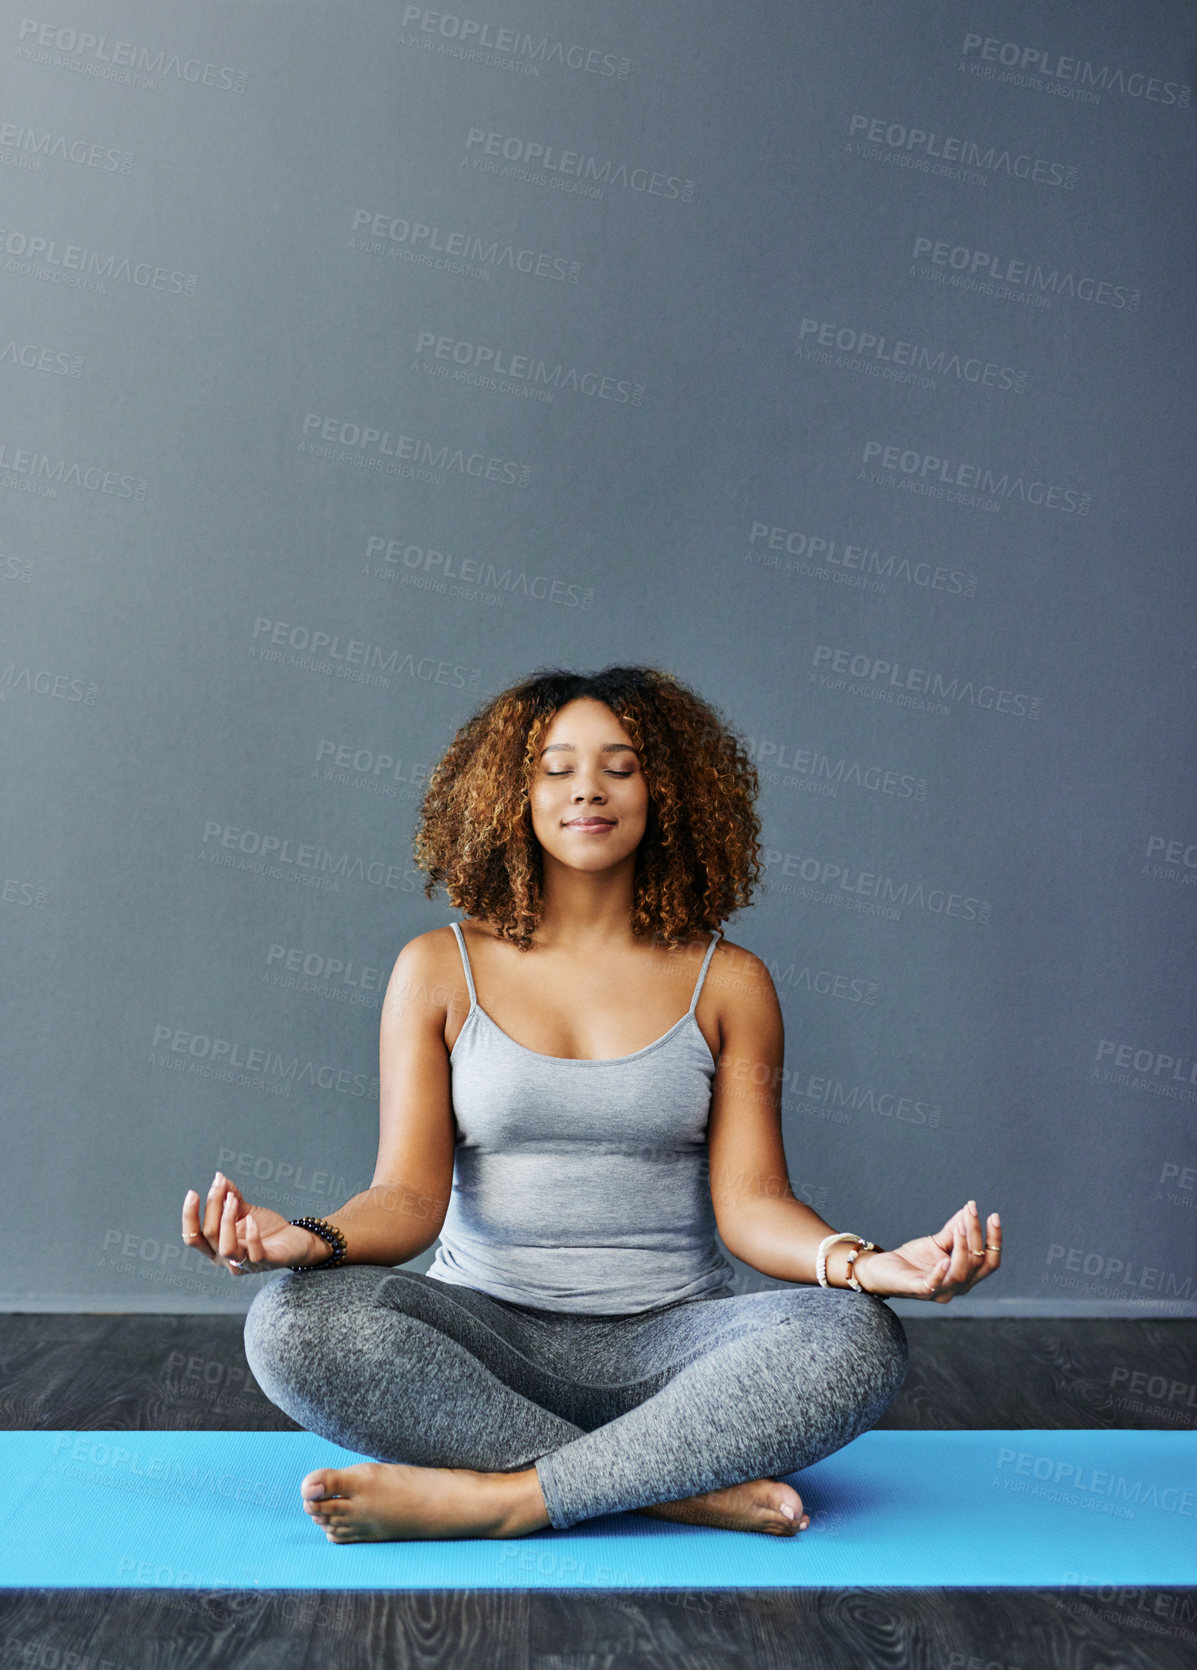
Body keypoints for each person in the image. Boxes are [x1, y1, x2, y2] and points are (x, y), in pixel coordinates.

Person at [181, 664, 1001, 1545]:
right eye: (555, 767)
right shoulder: (435, 969)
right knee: (294, 1323)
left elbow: (754, 1205)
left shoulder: (729, 980)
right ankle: (672, 1487)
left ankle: (508, 1499)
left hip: (676, 1349)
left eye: (620, 765)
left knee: (857, 1340)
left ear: (667, 792)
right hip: (484, 1343)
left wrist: (864, 1264)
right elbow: (409, 1201)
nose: (588, 791)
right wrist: (309, 1240)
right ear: (509, 794)